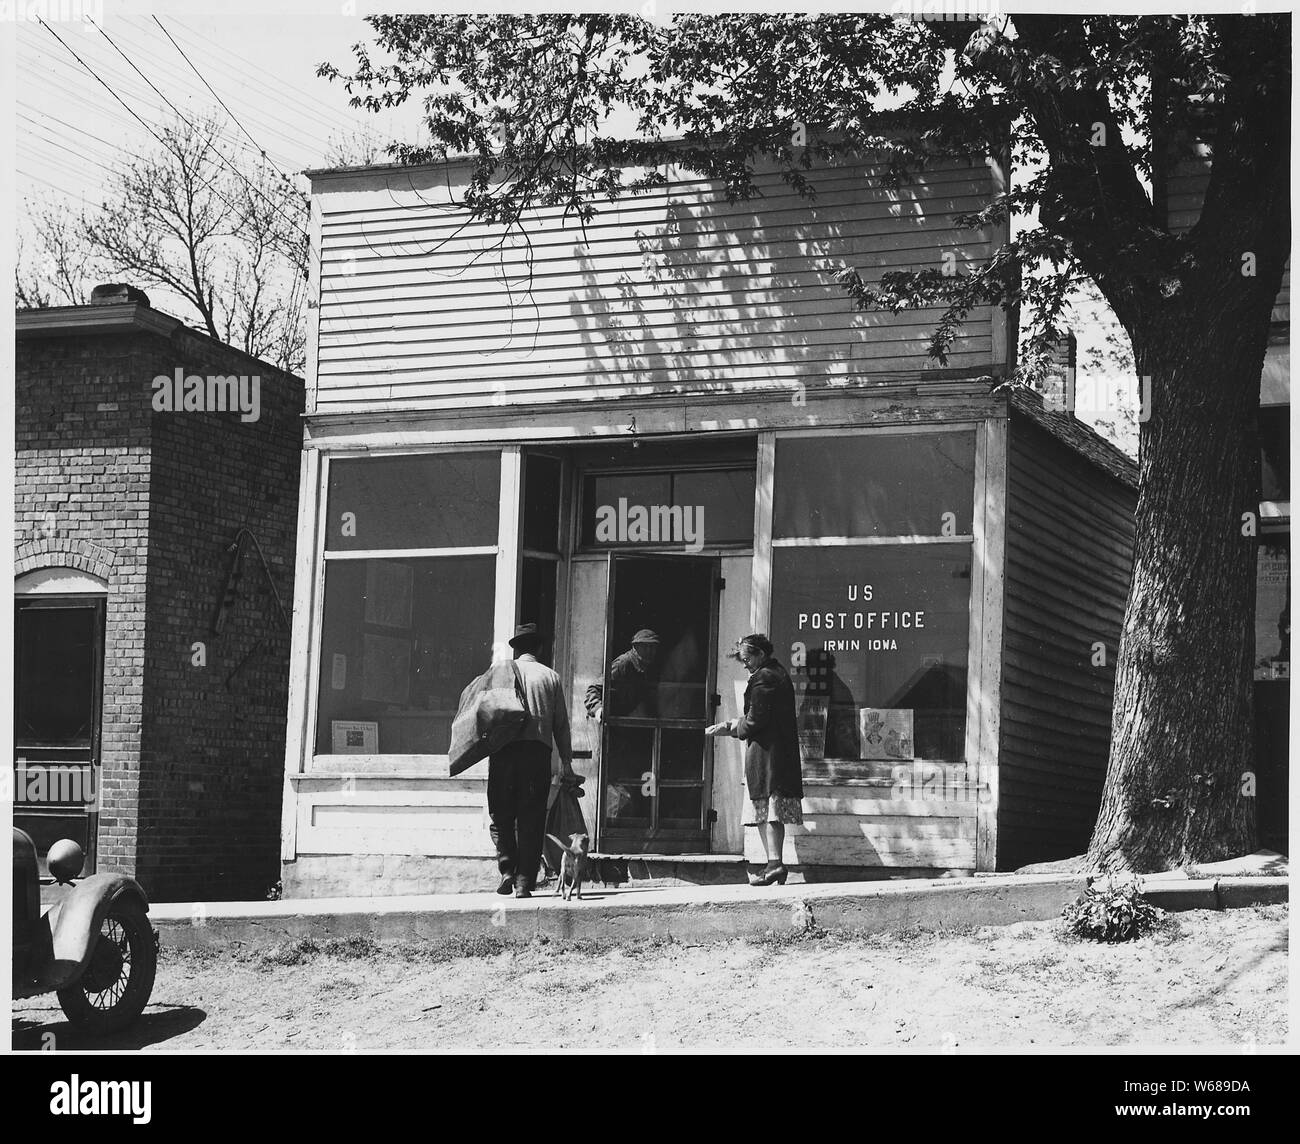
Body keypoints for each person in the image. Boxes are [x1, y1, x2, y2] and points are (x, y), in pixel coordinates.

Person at [706, 633, 803, 887]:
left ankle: (775, 864)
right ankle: (774, 864)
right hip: (775, 752)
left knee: (768, 807)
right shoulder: (775, 673)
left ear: (760, 654)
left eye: (747, 658)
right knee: (769, 809)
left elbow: (755, 719)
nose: (745, 664)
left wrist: (729, 728)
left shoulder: (765, 678)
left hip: (768, 754)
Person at [489, 623, 574, 898]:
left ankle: (506, 870)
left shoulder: (499, 672)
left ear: (515, 649)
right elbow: (561, 725)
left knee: (502, 814)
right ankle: (525, 881)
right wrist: (568, 762)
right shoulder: (550, 677)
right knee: (531, 817)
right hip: (537, 754)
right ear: (538, 648)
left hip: (504, 753)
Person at [583, 628, 661, 721]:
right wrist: (598, 711)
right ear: (634, 647)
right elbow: (593, 689)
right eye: (644, 646)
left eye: (652, 647)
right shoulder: (623, 664)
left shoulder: (649, 669)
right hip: (613, 725)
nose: (649, 651)